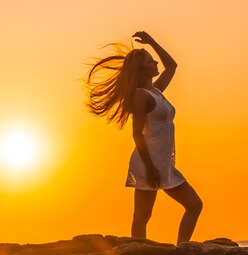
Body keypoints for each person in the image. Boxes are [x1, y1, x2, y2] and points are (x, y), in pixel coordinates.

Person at [85, 32, 203, 244]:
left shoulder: (156, 91)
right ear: (141, 70)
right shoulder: (141, 95)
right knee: (142, 217)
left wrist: (153, 42)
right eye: (150, 61)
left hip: (164, 164)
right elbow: (136, 134)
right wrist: (150, 168)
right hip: (147, 162)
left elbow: (172, 66)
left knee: (194, 205)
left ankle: (183, 249)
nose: (155, 62)